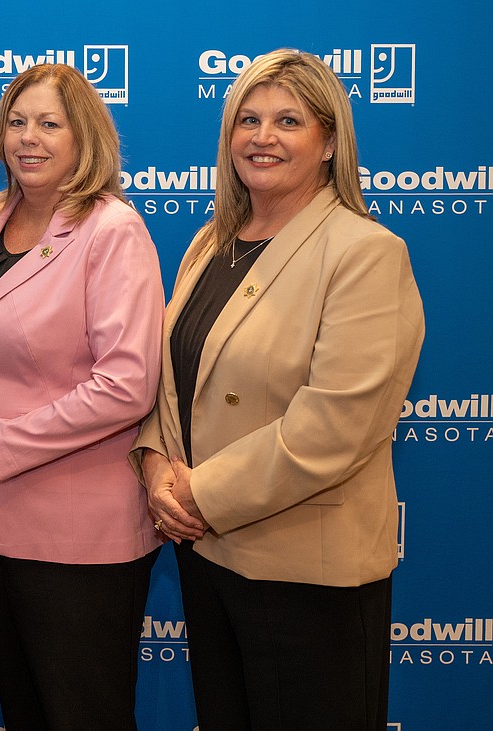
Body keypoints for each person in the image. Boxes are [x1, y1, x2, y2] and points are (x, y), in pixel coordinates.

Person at [132, 49, 424, 730]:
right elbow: (171, 383)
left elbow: (334, 427)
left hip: (306, 579)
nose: (262, 137)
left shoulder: (365, 251)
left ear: (328, 142)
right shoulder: (212, 242)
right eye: (248, 119)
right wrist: (153, 467)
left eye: (288, 120)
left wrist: (199, 494)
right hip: (208, 559)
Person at [0, 64, 165, 730]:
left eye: (48, 123)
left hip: (77, 538)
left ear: (82, 136)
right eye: (16, 121)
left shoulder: (111, 230)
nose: (27, 138)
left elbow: (127, 383)